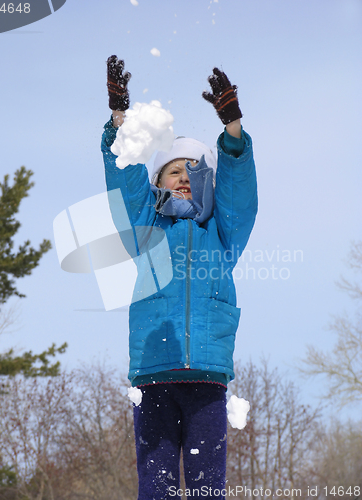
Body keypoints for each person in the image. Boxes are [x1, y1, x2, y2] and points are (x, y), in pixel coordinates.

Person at [101, 55, 258, 500]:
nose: (184, 177)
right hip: (153, 373)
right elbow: (125, 181)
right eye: (174, 170)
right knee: (157, 485)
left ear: (208, 180)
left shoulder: (222, 232)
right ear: (159, 182)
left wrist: (233, 130)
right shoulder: (147, 230)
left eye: (194, 170)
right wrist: (120, 122)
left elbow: (239, 194)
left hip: (207, 376)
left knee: (209, 487)